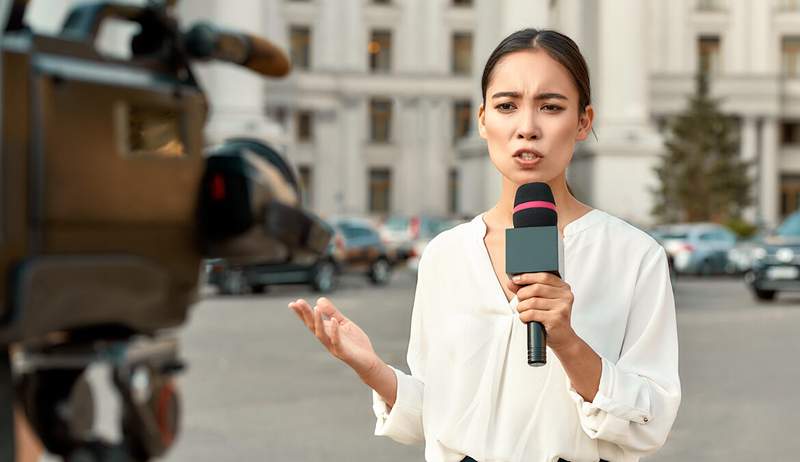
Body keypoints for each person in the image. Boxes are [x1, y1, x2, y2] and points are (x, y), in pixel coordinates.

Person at [289, 28, 680, 462]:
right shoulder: (445, 255)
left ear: (583, 121)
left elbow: (652, 421)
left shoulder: (633, 256)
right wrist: (373, 369)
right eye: (507, 106)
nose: (527, 128)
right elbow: (437, 415)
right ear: (482, 120)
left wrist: (567, 341)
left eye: (550, 107)